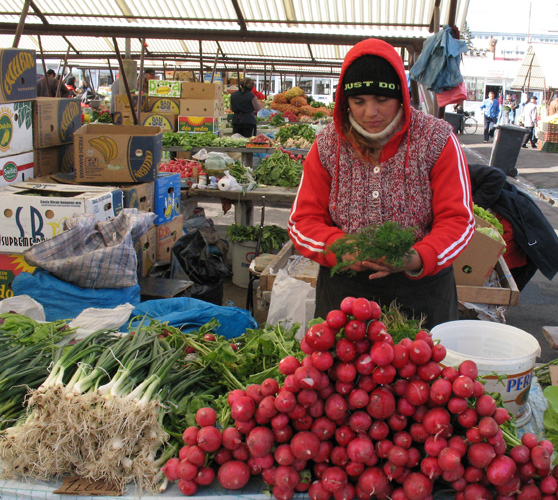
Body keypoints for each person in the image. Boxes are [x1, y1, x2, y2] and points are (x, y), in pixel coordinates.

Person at [288, 38, 475, 329]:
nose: (370, 113)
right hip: (344, 295)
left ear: (401, 95)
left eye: (382, 100)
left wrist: (415, 257)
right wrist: (340, 248)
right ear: (344, 100)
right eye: (358, 101)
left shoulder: (437, 139)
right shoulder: (327, 144)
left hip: (422, 293)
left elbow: (459, 221)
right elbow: (303, 221)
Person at [468, 163, 558, 290]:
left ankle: (497, 298)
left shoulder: (457, 168)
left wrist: (473, 206)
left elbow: (497, 175)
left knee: (497, 264)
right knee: (486, 265)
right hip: (493, 220)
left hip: (508, 217)